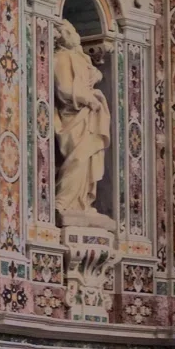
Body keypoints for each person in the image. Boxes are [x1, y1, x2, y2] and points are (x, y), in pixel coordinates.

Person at [54, 19, 111, 228]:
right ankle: (63, 202)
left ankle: (83, 202)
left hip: (88, 116)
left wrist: (95, 76)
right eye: (67, 33)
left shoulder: (80, 58)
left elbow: (94, 74)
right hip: (73, 117)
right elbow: (64, 90)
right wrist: (88, 99)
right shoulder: (61, 58)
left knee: (88, 158)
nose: (73, 35)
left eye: (71, 31)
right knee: (77, 158)